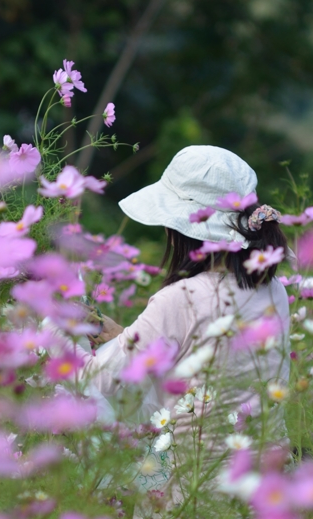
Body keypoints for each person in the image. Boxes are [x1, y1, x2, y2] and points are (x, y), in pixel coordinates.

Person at [79, 145, 292, 447]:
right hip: (270, 468)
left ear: (181, 228)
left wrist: (57, 330)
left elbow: (99, 381)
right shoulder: (274, 289)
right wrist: (119, 337)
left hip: (196, 481)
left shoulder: (181, 298)